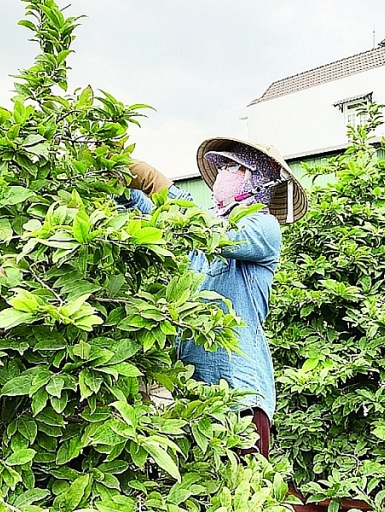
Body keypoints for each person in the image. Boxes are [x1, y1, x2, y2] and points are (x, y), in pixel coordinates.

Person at [121, 137, 308, 458]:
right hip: (194, 398)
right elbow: (152, 213)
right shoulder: (201, 229)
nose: (224, 174)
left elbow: (208, 229)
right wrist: (120, 182)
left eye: (234, 167)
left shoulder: (262, 227)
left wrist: (158, 184)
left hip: (239, 401)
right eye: (221, 167)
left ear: (258, 180)